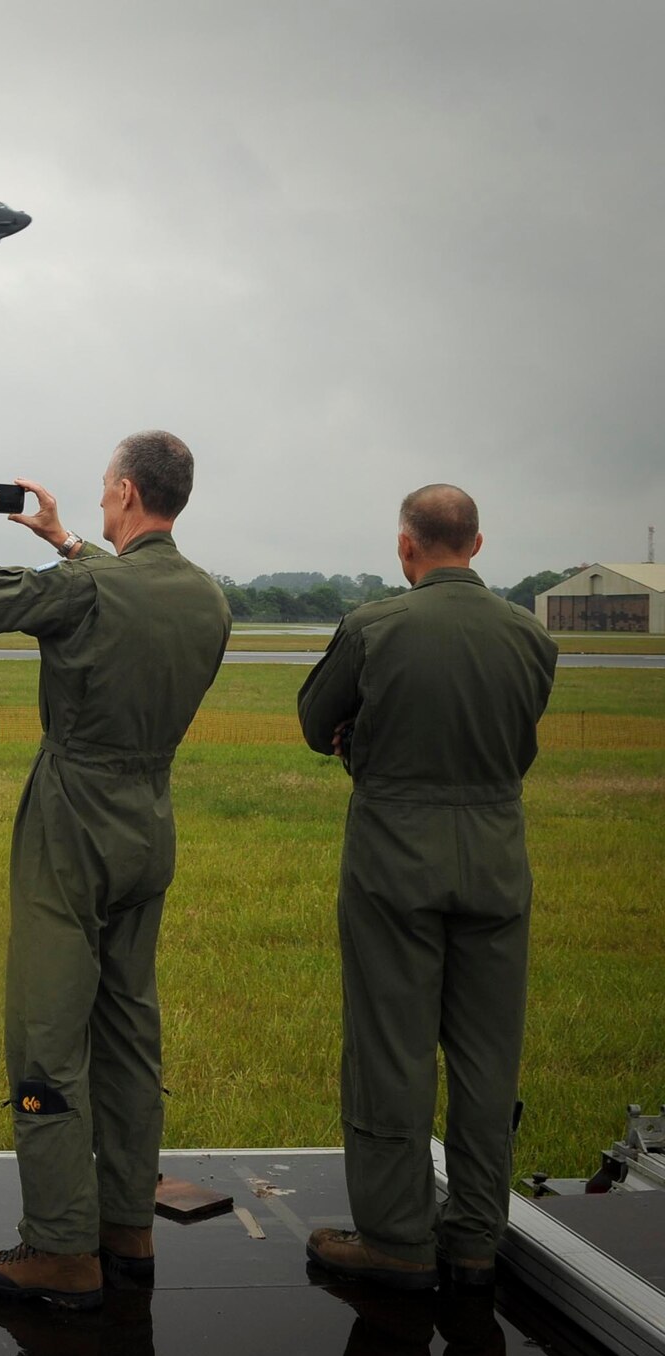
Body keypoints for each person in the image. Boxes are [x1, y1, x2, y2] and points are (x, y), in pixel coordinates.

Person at [0, 431, 231, 1310]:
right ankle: (127, 1225)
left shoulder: (93, 587)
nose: (96, 505)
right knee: (130, 1027)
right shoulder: (208, 597)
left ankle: (59, 1247)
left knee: (48, 1030)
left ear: (127, 493)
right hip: (151, 817)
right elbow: (126, 594)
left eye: (102, 494)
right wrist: (63, 541)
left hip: (76, 816)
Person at [297, 484, 556, 1291]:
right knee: (488, 1055)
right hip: (495, 854)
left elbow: (316, 722)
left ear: (406, 547)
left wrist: (359, 740)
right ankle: (477, 1234)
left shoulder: (375, 626)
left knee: (391, 1048)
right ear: (477, 546)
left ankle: (397, 1238)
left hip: (394, 858)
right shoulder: (528, 635)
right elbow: (517, 741)